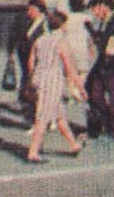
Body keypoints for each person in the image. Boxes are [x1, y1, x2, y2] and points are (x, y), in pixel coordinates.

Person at [25, 10, 87, 163]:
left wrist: (31, 80)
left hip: (39, 78)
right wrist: (80, 87)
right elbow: (70, 68)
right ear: (62, 25)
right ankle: (32, 152)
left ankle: (73, 145)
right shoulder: (61, 42)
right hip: (52, 80)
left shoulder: (39, 40)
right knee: (43, 116)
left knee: (59, 115)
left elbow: (30, 62)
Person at [84, 0, 114, 140]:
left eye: (94, 9)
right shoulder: (105, 22)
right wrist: (92, 30)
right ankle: (105, 123)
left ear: (103, 6)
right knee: (94, 94)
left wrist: (113, 59)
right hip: (102, 66)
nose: (94, 13)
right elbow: (102, 41)